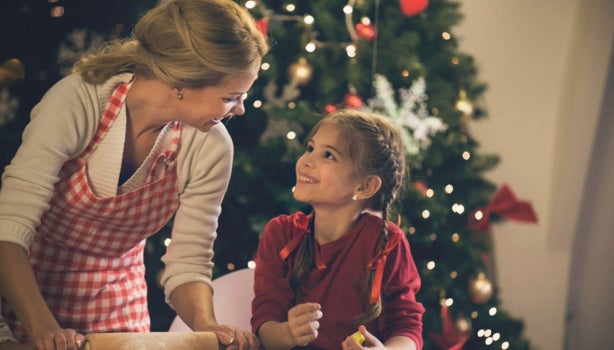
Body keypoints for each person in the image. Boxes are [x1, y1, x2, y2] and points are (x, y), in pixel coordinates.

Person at [0, 0, 268, 349]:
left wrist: (206, 324)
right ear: (181, 83)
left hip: (118, 297)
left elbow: (188, 261)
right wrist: (43, 329)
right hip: (22, 289)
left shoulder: (210, 145)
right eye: (231, 97)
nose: (241, 109)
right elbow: (9, 228)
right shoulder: (78, 102)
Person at [251, 109, 425, 350]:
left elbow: (406, 328)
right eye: (310, 148)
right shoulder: (281, 233)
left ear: (365, 186)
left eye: (328, 155)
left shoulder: (387, 242)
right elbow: (265, 327)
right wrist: (287, 333)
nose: (307, 160)